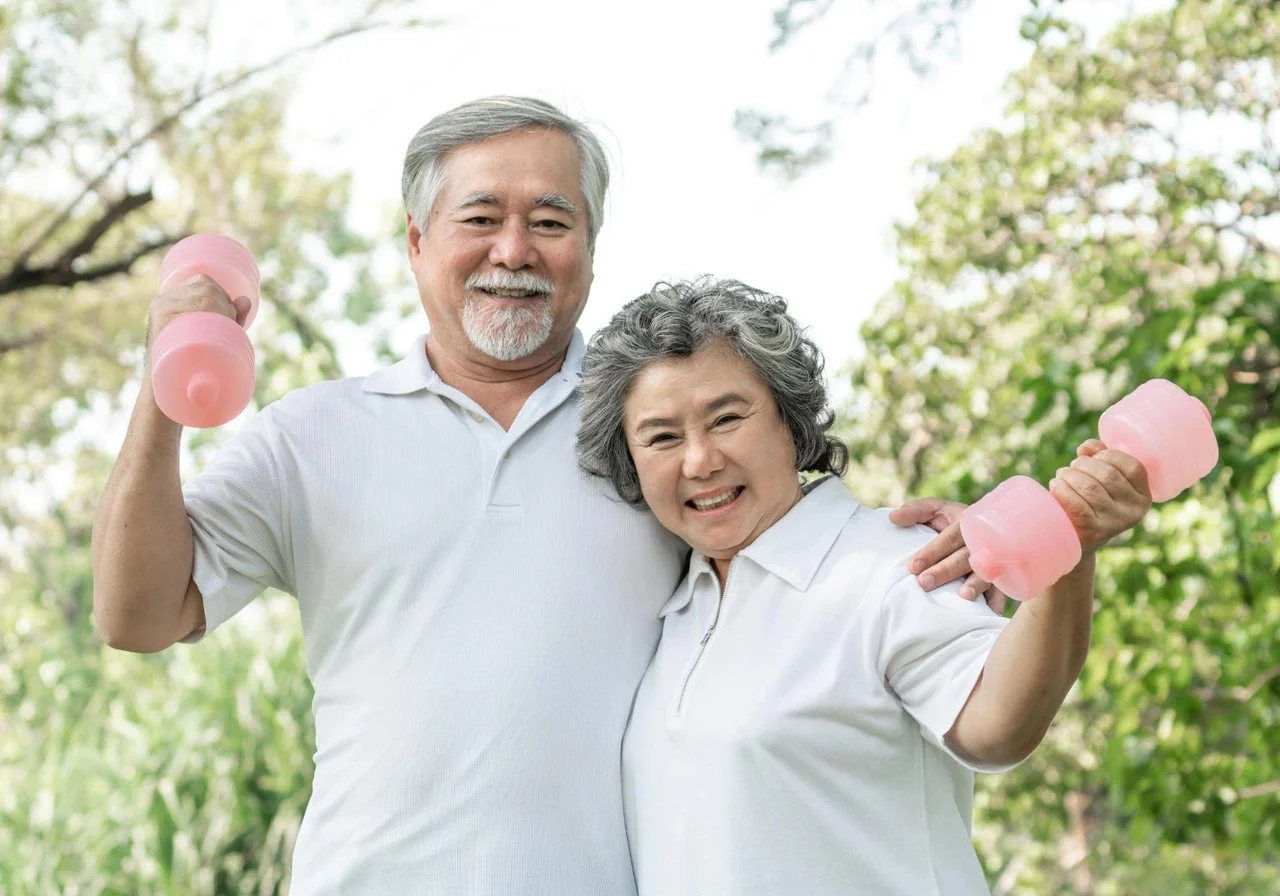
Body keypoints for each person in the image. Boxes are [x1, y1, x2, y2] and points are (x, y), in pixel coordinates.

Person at [91, 97, 991, 894]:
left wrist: (933, 537)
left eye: (551, 222)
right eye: (479, 217)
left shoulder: (653, 425)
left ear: (591, 248)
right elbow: (136, 616)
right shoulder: (311, 435)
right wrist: (167, 383)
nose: (513, 250)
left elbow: (795, 537)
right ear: (416, 241)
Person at [576, 278, 1153, 896]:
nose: (699, 461)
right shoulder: (672, 605)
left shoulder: (896, 563)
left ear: (791, 425)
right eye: (661, 437)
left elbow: (998, 725)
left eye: (727, 419)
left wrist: (1068, 551)